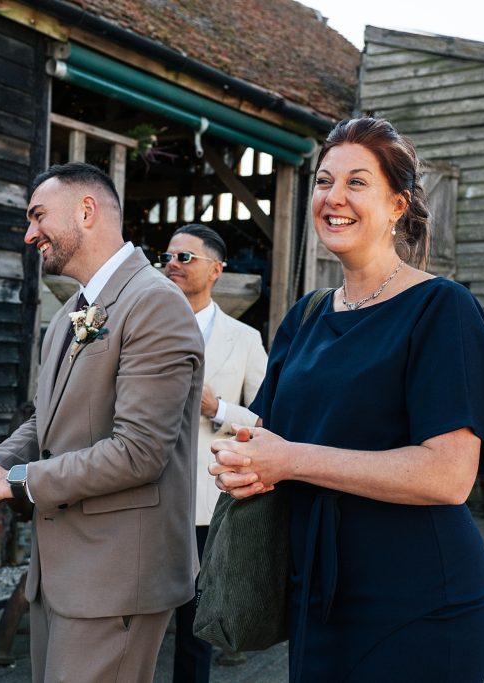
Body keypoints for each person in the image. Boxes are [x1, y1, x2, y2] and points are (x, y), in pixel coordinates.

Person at [209, 118, 484, 682]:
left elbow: (448, 477)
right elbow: (271, 440)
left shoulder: (440, 309)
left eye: (357, 182)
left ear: (398, 205)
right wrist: (245, 464)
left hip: (421, 602)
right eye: (324, 182)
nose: (334, 197)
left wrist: (293, 460)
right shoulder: (304, 318)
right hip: (317, 598)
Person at [0, 162, 204, 683]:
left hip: (115, 578)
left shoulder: (155, 304)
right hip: (61, 573)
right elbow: (47, 422)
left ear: (87, 211)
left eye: (39, 216)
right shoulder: (70, 313)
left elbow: (139, 454)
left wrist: (13, 483)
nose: (29, 233)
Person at [160, 224, 268, 683]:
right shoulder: (140, 328)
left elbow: (268, 424)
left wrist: (219, 408)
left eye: (185, 258)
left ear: (217, 270)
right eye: (167, 256)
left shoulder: (244, 339)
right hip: (142, 495)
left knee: (193, 628)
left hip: (205, 504)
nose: (172, 264)